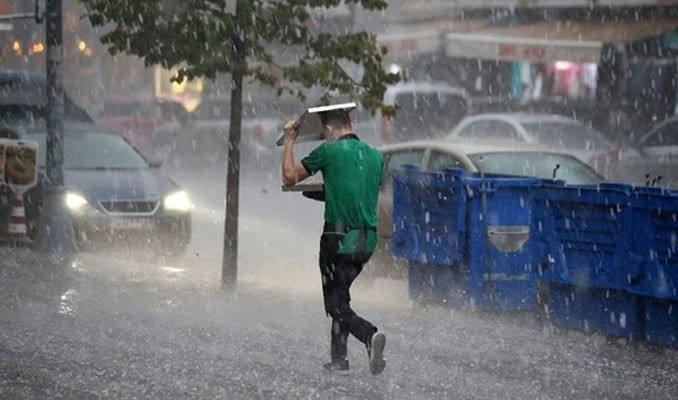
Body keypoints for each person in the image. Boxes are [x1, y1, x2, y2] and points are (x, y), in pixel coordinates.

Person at [281, 108, 386, 375]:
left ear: (328, 130)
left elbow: (289, 176)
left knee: (335, 304)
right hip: (366, 240)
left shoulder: (327, 152)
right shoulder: (375, 156)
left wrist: (290, 139)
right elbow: (357, 192)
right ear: (350, 123)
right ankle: (339, 360)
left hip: (337, 239)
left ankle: (369, 335)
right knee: (341, 296)